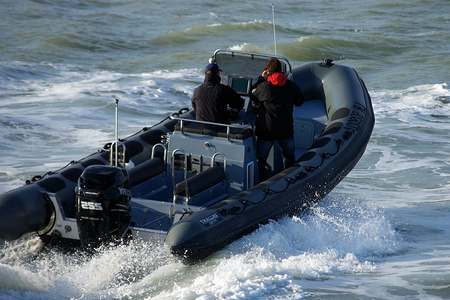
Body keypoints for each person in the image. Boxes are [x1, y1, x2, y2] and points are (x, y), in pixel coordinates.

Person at [252, 57, 304, 179]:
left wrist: (261, 78)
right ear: (281, 71)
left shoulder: (264, 87)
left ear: (268, 71)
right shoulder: (291, 86)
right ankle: (289, 180)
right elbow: (300, 101)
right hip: (285, 130)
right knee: (289, 158)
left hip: (267, 131)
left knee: (261, 160)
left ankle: (262, 183)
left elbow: (252, 97)